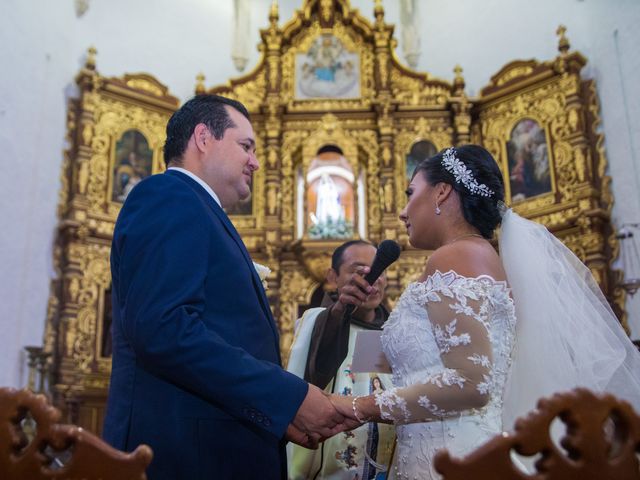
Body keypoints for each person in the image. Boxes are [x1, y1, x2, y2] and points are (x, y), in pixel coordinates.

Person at [327, 145, 640, 479]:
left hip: (453, 459)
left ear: (442, 192)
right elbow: (439, 359)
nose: (403, 212)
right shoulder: (474, 256)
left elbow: (470, 383)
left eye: (410, 193)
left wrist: (357, 406)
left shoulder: (454, 258)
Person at [103, 94, 355, 480]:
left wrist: (274, 413)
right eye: (245, 146)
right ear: (203, 138)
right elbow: (164, 330)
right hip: (185, 455)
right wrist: (287, 396)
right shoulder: (168, 197)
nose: (254, 161)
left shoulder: (198, 209)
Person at [287, 240, 395, 479]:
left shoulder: (395, 330)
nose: (372, 278)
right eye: (359, 271)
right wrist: (341, 309)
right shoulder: (317, 322)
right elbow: (319, 365)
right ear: (333, 276)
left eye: (380, 270)